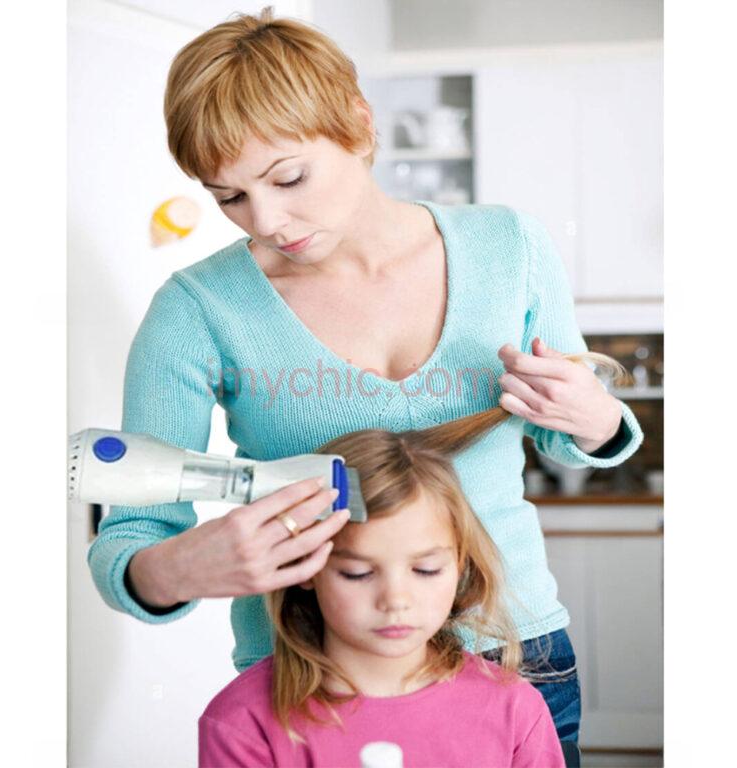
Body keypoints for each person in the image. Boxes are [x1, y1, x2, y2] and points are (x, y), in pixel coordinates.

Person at [87, 8, 644, 743]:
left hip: (512, 652)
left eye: (289, 177)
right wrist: (180, 569)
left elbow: (577, 438)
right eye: (230, 197)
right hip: (309, 675)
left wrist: (594, 418)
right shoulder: (197, 310)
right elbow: (128, 538)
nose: (267, 219)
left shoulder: (510, 247)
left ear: (358, 122)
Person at [199, 399, 577, 767]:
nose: (396, 600)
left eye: (426, 570)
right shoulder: (243, 722)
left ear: (460, 565)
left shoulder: (515, 709)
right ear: (307, 565)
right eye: (358, 573)